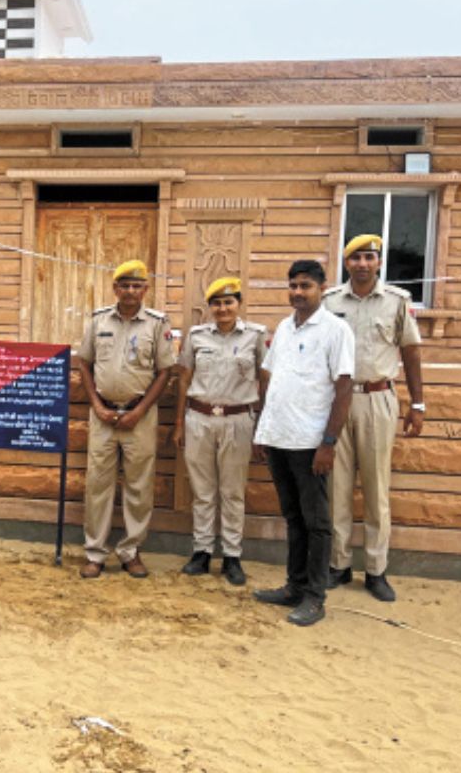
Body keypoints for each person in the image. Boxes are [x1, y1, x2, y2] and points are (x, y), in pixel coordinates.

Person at [323, 234, 424, 602]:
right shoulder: (330, 302)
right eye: (356, 258)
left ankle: (376, 570)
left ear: (378, 262)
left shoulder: (396, 301)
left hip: (377, 397)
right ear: (346, 263)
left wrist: (418, 404)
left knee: (376, 487)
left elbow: (410, 352)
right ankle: (338, 563)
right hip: (337, 401)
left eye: (369, 257)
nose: (362, 264)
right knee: (337, 487)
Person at [253, 260, 354, 627]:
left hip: (310, 442)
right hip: (279, 436)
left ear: (322, 288)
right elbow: (273, 379)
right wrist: (263, 431)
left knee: (317, 523)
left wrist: (328, 443)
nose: (298, 292)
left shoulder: (335, 330)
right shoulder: (284, 327)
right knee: (293, 517)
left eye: (306, 285)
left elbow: (344, 388)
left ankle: (315, 596)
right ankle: (294, 587)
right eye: (293, 285)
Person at [75, 259, 176, 580]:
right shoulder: (98, 320)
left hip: (140, 417)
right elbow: (84, 364)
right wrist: (97, 406)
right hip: (102, 415)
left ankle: (131, 551)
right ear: (115, 288)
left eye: (137, 286)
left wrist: (139, 411)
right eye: (125, 285)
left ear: (145, 289)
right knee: (98, 486)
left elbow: (165, 372)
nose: (131, 291)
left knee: (139, 486)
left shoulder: (157, 324)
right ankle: (95, 553)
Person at [172, 277, 266, 586]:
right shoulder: (197, 336)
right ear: (210, 307)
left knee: (232, 491)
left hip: (238, 420)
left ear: (239, 304)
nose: (223, 308)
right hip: (199, 419)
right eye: (217, 303)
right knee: (202, 491)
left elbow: (265, 381)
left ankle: (231, 555)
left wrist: (262, 426)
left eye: (228, 302)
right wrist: (179, 423)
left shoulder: (255, 336)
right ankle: (201, 551)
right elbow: (184, 379)